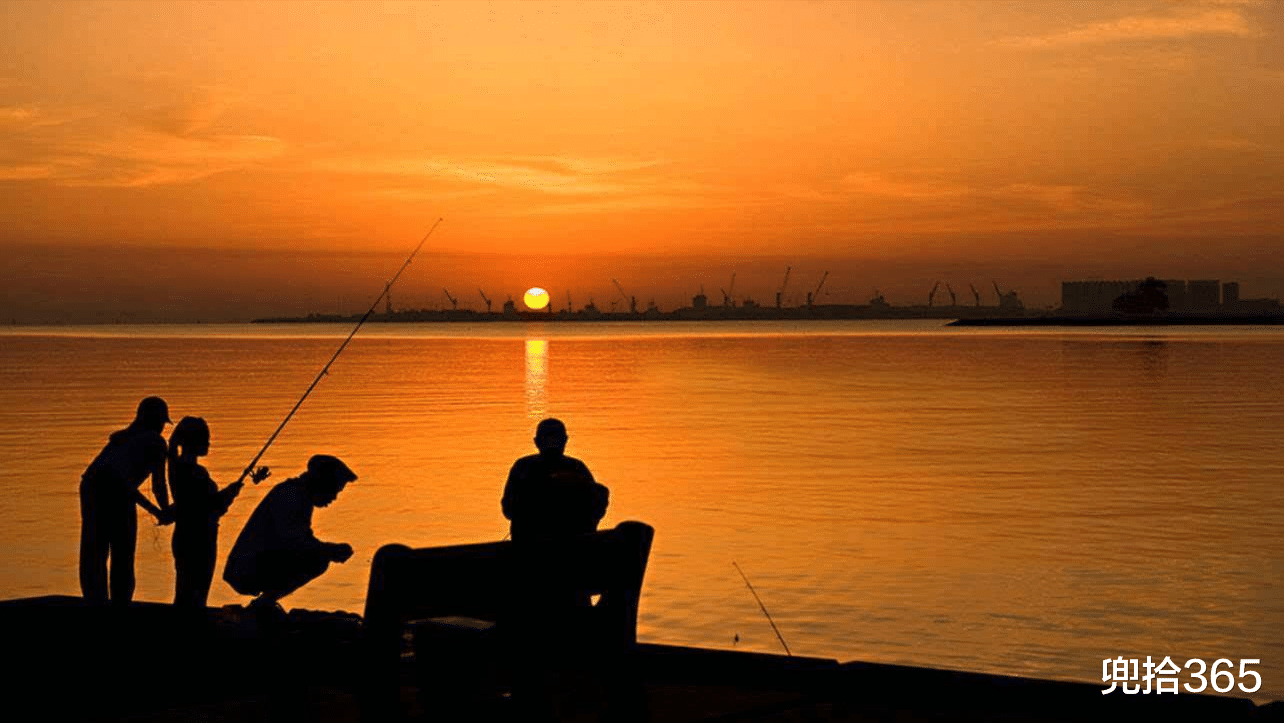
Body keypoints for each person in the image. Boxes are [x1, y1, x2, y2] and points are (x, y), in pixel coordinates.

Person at [222, 454, 356, 615]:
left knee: (319, 555)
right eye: (334, 490)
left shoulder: (298, 495)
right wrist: (330, 550)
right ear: (322, 482)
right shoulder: (292, 496)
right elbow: (294, 543)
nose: (334, 497)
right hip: (246, 569)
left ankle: (263, 603)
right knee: (318, 559)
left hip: (254, 563)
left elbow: (301, 539)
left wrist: (327, 549)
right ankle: (262, 605)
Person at [79, 396, 173, 606]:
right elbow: (156, 485)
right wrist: (162, 511)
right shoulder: (155, 442)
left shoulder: (122, 438)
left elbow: (119, 481)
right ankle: (119, 605)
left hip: (90, 488)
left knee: (95, 550)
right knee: (122, 551)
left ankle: (96, 602)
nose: (162, 428)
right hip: (108, 490)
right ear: (156, 420)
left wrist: (161, 511)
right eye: (161, 422)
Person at [167, 416, 268, 609]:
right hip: (200, 538)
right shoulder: (195, 472)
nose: (209, 443)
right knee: (197, 592)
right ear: (194, 441)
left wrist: (230, 491)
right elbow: (211, 507)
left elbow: (197, 504)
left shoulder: (176, 466)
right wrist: (232, 492)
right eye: (205, 438)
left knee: (184, 591)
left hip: (184, 535)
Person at [501, 418, 609, 544]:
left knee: (600, 491)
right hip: (534, 541)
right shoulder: (524, 467)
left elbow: (508, 510)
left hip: (567, 538)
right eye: (549, 439)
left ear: (536, 442)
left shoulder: (575, 467)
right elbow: (508, 510)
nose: (552, 443)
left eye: (555, 439)